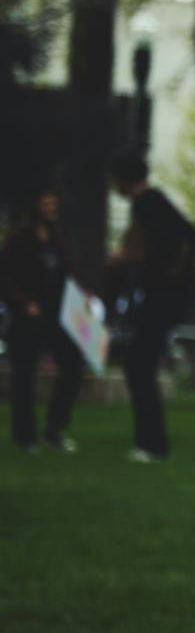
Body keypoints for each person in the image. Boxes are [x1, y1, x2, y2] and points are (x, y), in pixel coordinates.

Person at [108, 152, 195, 462]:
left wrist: (124, 259)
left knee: (138, 365)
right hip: (169, 298)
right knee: (141, 364)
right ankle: (151, 442)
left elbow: (148, 251)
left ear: (123, 180)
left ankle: (152, 444)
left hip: (160, 298)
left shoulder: (147, 205)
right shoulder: (159, 202)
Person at [5, 189, 85, 453]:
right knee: (25, 376)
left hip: (57, 315)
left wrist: (79, 295)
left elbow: (66, 272)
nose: (51, 208)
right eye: (46, 203)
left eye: (53, 203)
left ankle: (54, 427)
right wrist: (23, 302)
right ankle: (25, 437)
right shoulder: (18, 240)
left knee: (72, 364)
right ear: (35, 207)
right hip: (28, 317)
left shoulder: (55, 240)